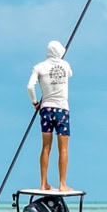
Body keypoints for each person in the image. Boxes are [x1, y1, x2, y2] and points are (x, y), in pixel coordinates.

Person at [27, 40, 74, 192]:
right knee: (63, 149)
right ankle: (62, 184)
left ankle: (43, 183)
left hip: (46, 109)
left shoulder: (39, 67)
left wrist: (35, 102)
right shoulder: (65, 65)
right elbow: (70, 74)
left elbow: (30, 86)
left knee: (46, 147)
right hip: (62, 110)